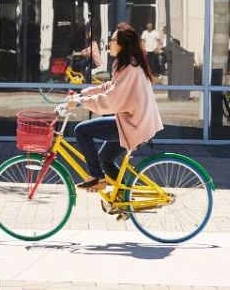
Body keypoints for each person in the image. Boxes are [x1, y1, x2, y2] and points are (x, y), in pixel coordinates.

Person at [69, 22, 164, 192]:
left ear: (122, 45)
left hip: (133, 125)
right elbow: (111, 86)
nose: (110, 43)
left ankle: (97, 178)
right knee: (105, 159)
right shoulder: (126, 64)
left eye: (113, 41)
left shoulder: (130, 69)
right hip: (132, 121)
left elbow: (110, 100)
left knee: (81, 131)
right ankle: (124, 197)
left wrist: (81, 102)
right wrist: (84, 93)